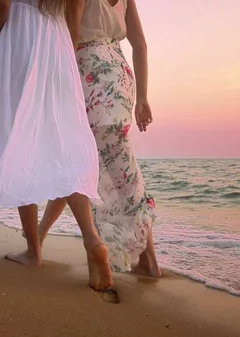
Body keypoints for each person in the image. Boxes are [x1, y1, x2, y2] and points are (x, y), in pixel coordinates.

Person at [0, 0, 116, 294]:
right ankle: (92, 239)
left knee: (21, 140)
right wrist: (63, 62)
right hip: (58, 45)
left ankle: (34, 251)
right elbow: (74, 25)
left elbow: (4, 4)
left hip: (21, 38)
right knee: (62, 147)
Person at [30, 0, 162, 278]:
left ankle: (141, 258)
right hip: (120, 79)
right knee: (108, 167)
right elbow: (140, 45)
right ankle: (147, 259)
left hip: (90, 76)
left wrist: (54, 83)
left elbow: (72, 38)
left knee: (82, 164)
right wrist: (143, 97)